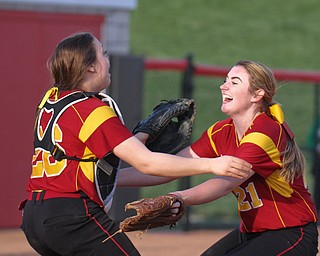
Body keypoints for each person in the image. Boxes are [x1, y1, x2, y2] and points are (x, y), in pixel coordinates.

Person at [20, 32, 252, 256]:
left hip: (35, 217)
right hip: (71, 216)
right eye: (104, 54)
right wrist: (212, 165)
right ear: (90, 66)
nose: (107, 60)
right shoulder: (91, 110)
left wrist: (141, 136)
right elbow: (147, 163)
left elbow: (90, 157)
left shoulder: (51, 99)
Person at [165, 60, 318, 255]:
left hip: (292, 233)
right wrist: (116, 177)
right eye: (225, 79)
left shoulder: (265, 131)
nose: (223, 85)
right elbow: (174, 166)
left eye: (234, 81)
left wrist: (177, 197)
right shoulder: (221, 131)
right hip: (251, 232)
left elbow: (224, 184)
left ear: (257, 94)